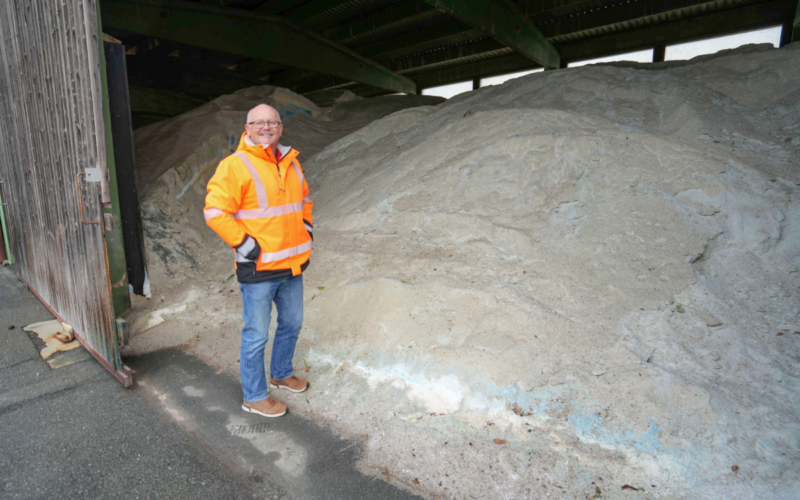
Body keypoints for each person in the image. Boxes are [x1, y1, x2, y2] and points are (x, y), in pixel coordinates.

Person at [204, 104, 313, 418]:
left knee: (291, 323)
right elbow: (214, 212)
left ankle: (281, 373)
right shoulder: (235, 165)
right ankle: (254, 396)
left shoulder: (290, 161)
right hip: (259, 269)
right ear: (248, 127)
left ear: (280, 127)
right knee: (256, 335)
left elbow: (304, 199)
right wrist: (246, 245)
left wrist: (306, 228)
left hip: (293, 265)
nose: (266, 127)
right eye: (259, 122)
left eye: (272, 122)